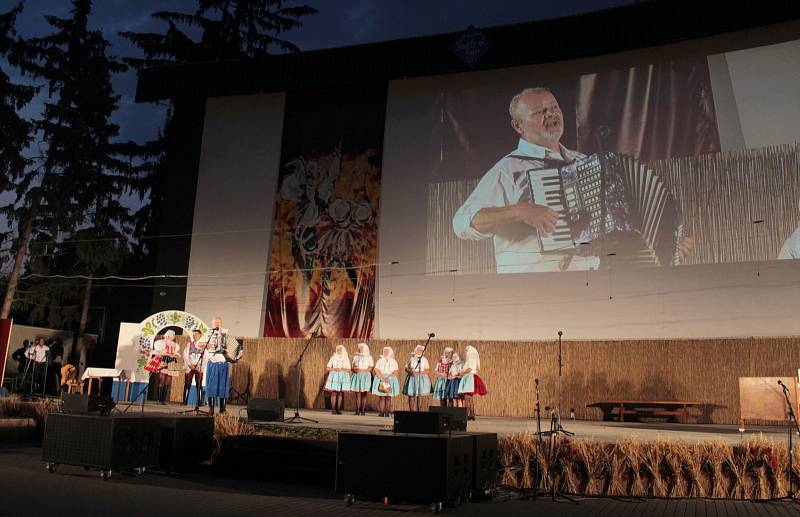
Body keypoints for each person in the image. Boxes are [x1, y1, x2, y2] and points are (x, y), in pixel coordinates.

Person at [452, 87, 692, 272]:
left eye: (554, 107)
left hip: (591, 282)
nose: (551, 114)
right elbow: (461, 224)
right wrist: (521, 211)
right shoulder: (508, 169)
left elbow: (622, 223)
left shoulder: (583, 162)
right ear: (518, 126)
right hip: (535, 293)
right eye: (540, 112)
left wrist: (666, 242)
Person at [205, 316, 231, 414]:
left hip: (223, 362)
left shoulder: (225, 332)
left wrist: (220, 332)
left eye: (218, 322)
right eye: (215, 322)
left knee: (222, 386)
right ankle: (211, 408)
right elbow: (199, 344)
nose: (217, 324)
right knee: (211, 385)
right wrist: (205, 345)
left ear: (221, 323)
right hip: (212, 362)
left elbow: (225, 344)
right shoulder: (208, 332)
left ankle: (222, 408)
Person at [147, 330, 181, 404]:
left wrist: (176, 355)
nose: (173, 337)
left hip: (172, 361)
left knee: (167, 381)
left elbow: (175, 353)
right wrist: (168, 354)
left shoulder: (175, 345)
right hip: (164, 360)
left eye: (173, 335)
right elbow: (160, 352)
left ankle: (163, 400)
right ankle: (159, 399)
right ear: (168, 335)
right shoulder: (161, 343)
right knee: (161, 380)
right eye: (172, 335)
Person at [457, 345, 488, 420]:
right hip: (469, 377)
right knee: (470, 398)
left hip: (469, 378)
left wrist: (462, 373)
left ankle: (466, 414)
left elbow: (469, 369)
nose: (465, 352)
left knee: (467, 397)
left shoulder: (471, 359)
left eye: (466, 350)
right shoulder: (470, 359)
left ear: (470, 351)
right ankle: (472, 414)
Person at [371, 346, 400, 417]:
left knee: (388, 397)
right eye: (384, 351)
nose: (385, 353)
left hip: (390, 379)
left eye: (387, 351)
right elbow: (376, 369)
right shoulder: (380, 360)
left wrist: (389, 378)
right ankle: (381, 412)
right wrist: (382, 377)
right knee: (381, 397)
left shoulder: (393, 361)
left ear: (390, 352)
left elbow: (396, 371)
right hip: (381, 378)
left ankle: (387, 413)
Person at [402, 344, 432, 411]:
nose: (419, 351)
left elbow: (427, 370)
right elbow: (406, 368)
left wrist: (418, 373)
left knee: (419, 395)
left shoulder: (424, 359)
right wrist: (411, 372)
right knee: (411, 395)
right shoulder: (411, 358)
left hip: (421, 378)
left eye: (421, 350)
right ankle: (412, 411)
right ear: (415, 350)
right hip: (412, 377)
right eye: (418, 349)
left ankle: (419, 411)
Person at [324, 345, 351, 415]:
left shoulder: (345, 358)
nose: (338, 350)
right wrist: (334, 369)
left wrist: (342, 369)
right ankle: (333, 409)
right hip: (334, 375)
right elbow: (328, 367)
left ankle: (338, 409)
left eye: (340, 349)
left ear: (342, 350)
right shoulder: (333, 357)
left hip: (342, 376)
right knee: (334, 392)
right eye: (337, 349)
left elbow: (349, 369)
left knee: (340, 393)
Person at [183, 329, 206, 407]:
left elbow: (205, 356)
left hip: (199, 367)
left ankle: (199, 401)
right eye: (193, 334)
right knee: (187, 383)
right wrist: (189, 364)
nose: (195, 335)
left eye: (196, 334)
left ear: (200, 335)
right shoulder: (189, 345)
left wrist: (199, 365)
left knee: (199, 383)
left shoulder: (203, 345)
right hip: (190, 366)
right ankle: (185, 400)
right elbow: (185, 355)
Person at [350, 342, 374, 416]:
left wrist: (362, 371)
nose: (360, 349)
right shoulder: (355, 357)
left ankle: (363, 410)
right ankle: (357, 410)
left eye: (361, 347)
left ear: (365, 348)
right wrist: (355, 370)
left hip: (365, 376)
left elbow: (370, 368)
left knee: (364, 394)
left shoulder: (369, 357)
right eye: (359, 348)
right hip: (357, 375)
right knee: (357, 394)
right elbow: (352, 367)